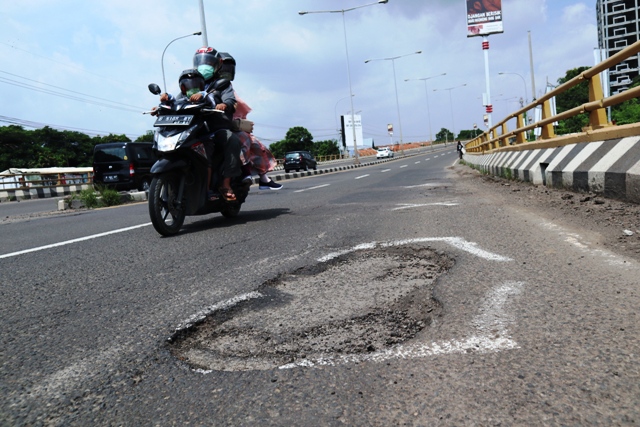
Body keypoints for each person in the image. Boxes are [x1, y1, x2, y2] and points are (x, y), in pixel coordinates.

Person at [157, 66, 242, 202]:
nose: (192, 87)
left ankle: (223, 184)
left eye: (195, 84)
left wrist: (222, 105)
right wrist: (163, 103)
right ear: (182, 88)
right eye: (187, 85)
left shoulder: (210, 92)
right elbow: (173, 103)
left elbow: (214, 99)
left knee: (226, 143)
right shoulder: (182, 97)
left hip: (210, 131)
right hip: (191, 133)